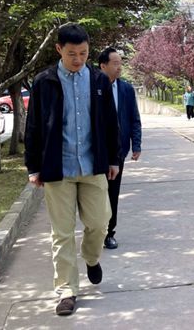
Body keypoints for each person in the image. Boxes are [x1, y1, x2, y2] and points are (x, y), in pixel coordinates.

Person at [25, 23, 120, 316]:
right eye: (72, 54)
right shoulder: (44, 82)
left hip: (93, 166)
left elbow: (110, 123)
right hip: (59, 168)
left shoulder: (99, 80)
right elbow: (34, 126)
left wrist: (114, 159)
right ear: (59, 50)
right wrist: (33, 167)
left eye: (83, 53)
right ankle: (66, 290)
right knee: (62, 233)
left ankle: (91, 257)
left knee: (100, 222)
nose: (78, 59)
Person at [98, 47, 142, 250]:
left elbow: (134, 118)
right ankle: (94, 231)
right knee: (95, 194)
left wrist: (136, 144)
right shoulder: (93, 87)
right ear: (103, 66)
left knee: (112, 192)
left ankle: (109, 232)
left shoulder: (126, 89)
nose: (119, 67)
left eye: (120, 63)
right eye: (115, 63)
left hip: (118, 150)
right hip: (97, 151)